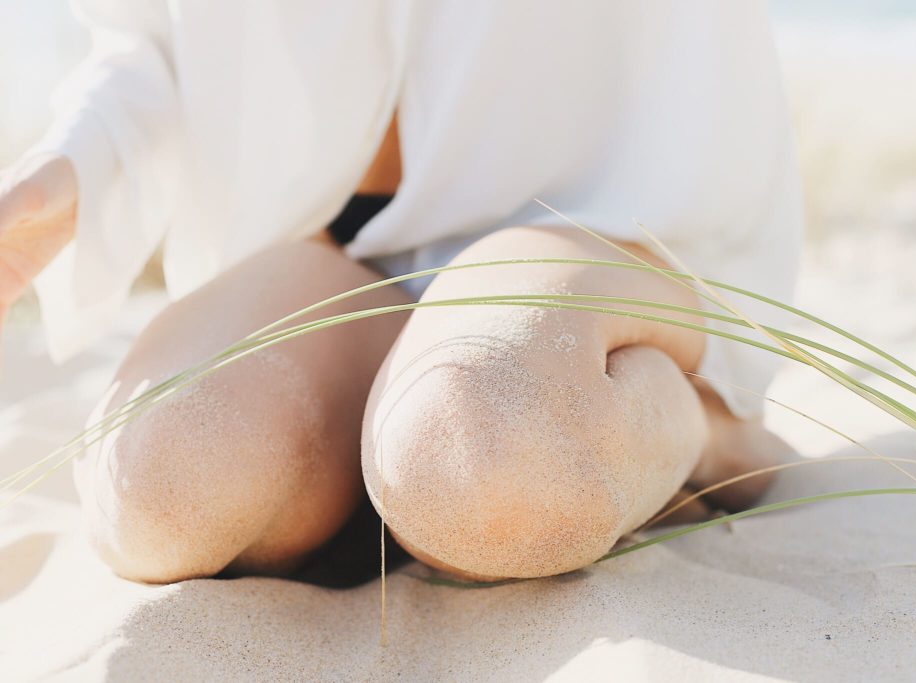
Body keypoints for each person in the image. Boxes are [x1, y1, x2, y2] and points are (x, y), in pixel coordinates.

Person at [0, 1, 801, 583]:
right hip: (321, 227)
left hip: (590, 207)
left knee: (476, 459)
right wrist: (75, 160)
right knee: (164, 492)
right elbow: (153, 33)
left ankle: (706, 421)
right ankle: (382, 424)